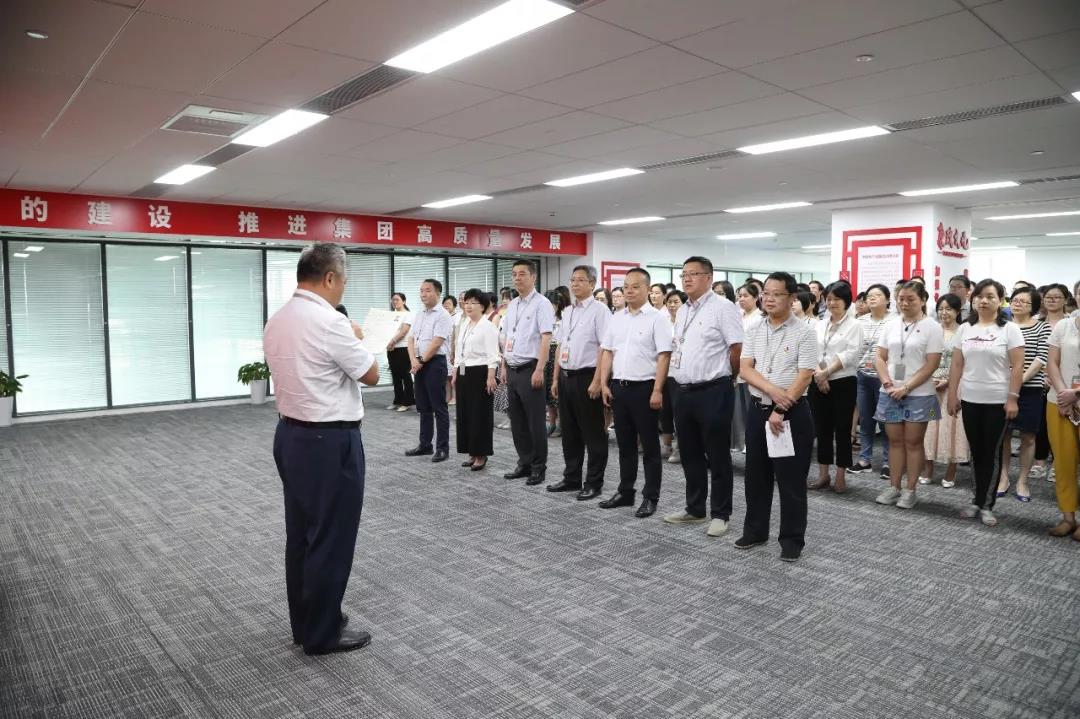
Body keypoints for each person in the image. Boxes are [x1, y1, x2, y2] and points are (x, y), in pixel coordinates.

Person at [264, 243, 380, 655]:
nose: (342, 289)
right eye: (343, 281)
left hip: (291, 436)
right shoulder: (331, 322)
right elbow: (371, 374)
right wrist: (357, 338)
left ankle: (306, 622)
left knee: (302, 535)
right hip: (329, 441)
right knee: (331, 537)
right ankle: (322, 633)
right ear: (330, 277)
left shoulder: (278, 318)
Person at [737, 271, 818, 562]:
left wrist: (781, 408)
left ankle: (792, 539)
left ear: (792, 297)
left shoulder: (805, 332)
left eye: (777, 294)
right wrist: (773, 392)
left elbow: (805, 374)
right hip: (759, 410)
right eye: (766, 294)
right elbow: (746, 369)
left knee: (791, 480)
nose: (769, 299)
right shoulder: (754, 329)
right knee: (756, 476)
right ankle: (755, 531)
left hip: (791, 413)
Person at [663, 257, 744, 537]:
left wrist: (729, 377)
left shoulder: (723, 307)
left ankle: (721, 513)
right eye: (683, 274)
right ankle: (695, 508)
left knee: (717, 455)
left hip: (714, 390)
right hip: (683, 390)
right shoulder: (683, 309)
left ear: (708, 277)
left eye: (693, 274)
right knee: (690, 453)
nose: (686, 279)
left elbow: (736, 348)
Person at [947, 279, 1025, 527]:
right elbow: (956, 364)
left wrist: (1012, 398)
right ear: (973, 300)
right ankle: (976, 499)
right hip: (970, 398)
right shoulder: (965, 328)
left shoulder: (1009, 329)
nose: (984, 301)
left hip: (998, 400)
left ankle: (987, 504)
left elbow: (1018, 367)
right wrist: (952, 395)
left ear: (1000, 300)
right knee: (975, 451)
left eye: (990, 296)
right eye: (979, 296)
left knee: (991, 453)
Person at [597, 268, 673, 518]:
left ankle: (651, 497)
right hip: (619, 387)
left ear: (647, 289)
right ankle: (625, 491)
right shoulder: (617, 317)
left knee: (649, 447)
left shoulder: (657, 319)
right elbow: (608, 352)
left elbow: (664, 356)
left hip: (645, 388)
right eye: (626, 286)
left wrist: (658, 390)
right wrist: (604, 383)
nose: (629, 291)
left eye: (635, 286)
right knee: (625, 445)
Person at [872, 281, 944, 510]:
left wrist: (906, 387)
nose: (904, 303)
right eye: (901, 298)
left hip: (919, 394)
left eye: (910, 299)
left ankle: (910, 490)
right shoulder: (891, 325)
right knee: (894, 441)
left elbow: (932, 364)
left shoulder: (932, 327)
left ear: (923, 300)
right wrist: (887, 383)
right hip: (890, 392)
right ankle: (894, 487)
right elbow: (879, 357)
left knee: (913, 442)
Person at [547, 265, 611, 500]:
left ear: (592, 284)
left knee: (593, 433)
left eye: (581, 280)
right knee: (570, 432)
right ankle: (572, 478)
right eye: (573, 280)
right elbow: (560, 346)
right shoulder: (568, 311)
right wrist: (555, 378)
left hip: (587, 377)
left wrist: (598, 381)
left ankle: (594, 482)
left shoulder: (600, 311)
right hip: (566, 377)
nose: (575, 284)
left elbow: (605, 348)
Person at [500, 260, 556, 486]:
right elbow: (508, 336)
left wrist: (540, 369)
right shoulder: (513, 304)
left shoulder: (542, 304)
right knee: (518, 421)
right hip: (512, 368)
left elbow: (546, 337)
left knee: (535, 422)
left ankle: (538, 467)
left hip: (531, 369)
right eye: (514, 274)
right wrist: (504, 365)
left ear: (533, 277)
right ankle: (524, 462)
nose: (517, 278)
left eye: (522, 274)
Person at [807, 281, 863, 493]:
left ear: (846, 301)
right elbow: (812, 350)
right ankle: (823, 474)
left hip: (843, 382)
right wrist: (819, 375)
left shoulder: (855, 325)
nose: (831, 303)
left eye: (836, 299)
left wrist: (826, 372)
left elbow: (851, 354)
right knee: (821, 429)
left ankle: (841, 474)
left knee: (842, 429)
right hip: (818, 381)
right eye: (828, 299)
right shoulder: (819, 324)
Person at [997, 287, 1049, 501]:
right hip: (1001, 387)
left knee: (1028, 436)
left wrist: (1018, 381)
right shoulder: (1002, 326)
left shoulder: (1042, 327)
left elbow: (1041, 358)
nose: (1017, 304)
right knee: (1003, 436)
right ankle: (1003, 477)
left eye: (1023, 301)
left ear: (1033, 306)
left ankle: (1023, 480)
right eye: (1015, 300)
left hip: (1031, 389)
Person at [921, 294, 969, 488]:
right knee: (929, 428)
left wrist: (948, 381)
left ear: (957, 311)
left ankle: (951, 471)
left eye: (948, 309)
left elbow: (966, 363)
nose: (944, 312)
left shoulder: (963, 332)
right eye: (941, 309)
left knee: (952, 429)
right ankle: (928, 469)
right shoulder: (932, 331)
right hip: (930, 387)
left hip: (953, 388)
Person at [404, 279, 453, 463]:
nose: (423, 294)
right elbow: (411, 339)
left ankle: (442, 448)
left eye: (428, 290)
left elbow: (437, 342)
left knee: (439, 407)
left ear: (438, 293)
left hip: (434, 363)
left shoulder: (443, 315)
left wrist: (421, 361)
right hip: (419, 363)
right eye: (421, 291)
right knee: (423, 406)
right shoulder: (419, 314)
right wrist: (413, 360)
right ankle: (425, 445)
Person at [452, 288, 499, 471]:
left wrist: (490, 376)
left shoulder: (488, 326)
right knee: (465, 414)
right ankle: (471, 451)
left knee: (480, 414)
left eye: (473, 303)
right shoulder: (465, 323)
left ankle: (481, 454)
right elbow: (459, 350)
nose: (469, 306)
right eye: (466, 302)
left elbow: (493, 354)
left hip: (481, 372)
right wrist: (455, 371)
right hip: (464, 372)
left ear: (483, 306)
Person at [1046, 309, 1080, 538]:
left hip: (1072, 397)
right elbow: (1052, 362)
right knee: (1064, 461)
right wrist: (1062, 394)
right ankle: (1068, 517)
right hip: (1058, 403)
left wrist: (1075, 394)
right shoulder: (1063, 326)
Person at [851, 284, 892, 476]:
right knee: (866, 419)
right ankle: (864, 459)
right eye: (869, 296)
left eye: (877, 295)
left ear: (887, 299)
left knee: (885, 421)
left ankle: (888, 462)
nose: (872, 298)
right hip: (863, 376)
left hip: (885, 378)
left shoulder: (895, 321)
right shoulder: (859, 321)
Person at [732, 283, 763, 454]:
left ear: (756, 297)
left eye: (746, 296)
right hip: (737, 365)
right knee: (739, 408)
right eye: (739, 296)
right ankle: (742, 440)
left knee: (751, 406)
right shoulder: (739, 316)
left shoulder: (760, 318)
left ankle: (751, 441)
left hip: (752, 367)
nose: (741, 299)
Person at [660, 289, 687, 462]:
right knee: (665, 410)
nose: (672, 305)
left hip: (681, 374)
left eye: (676, 302)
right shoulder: (663, 322)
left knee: (679, 412)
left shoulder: (686, 323)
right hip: (664, 372)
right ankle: (666, 445)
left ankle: (680, 447)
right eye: (669, 302)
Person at [543, 289, 568, 437]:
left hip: (557, 354)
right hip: (545, 354)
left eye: (552, 305)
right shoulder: (542, 317)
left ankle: (561, 424)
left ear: (557, 305)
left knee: (557, 391)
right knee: (547, 392)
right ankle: (551, 423)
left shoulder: (563, 318)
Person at [385, 292, 415, 412]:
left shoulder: (408, 314)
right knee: (395, 375)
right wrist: (387, 343)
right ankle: (398, 400)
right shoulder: (392, 315)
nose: (394, 302)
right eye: (393, 300)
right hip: (391, 348)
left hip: (403, 348)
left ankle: (408, 402)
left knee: (405, 375)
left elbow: (403, 332)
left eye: (397, 299)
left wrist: (392, 341)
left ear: (404, 301)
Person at [443, 295, 462, 406]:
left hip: (454, 349)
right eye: (444, 304)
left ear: (454, 306)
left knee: (454, 376)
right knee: (446, 376)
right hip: (444, 349)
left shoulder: (457, 317)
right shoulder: (443, 317)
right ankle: (448, 395)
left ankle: (455, 397)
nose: (446, 306)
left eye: (449, 304)